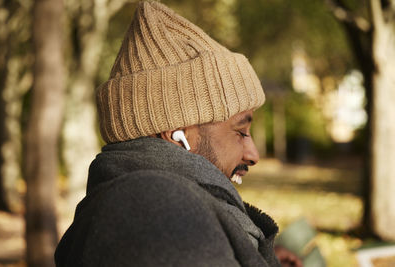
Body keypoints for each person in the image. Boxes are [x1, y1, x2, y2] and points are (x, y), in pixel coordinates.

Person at [55, 1, 302, 266]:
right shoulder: (159, 212)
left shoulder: (145, 211)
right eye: (240, 131)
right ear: (177, 136)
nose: (253, 155)